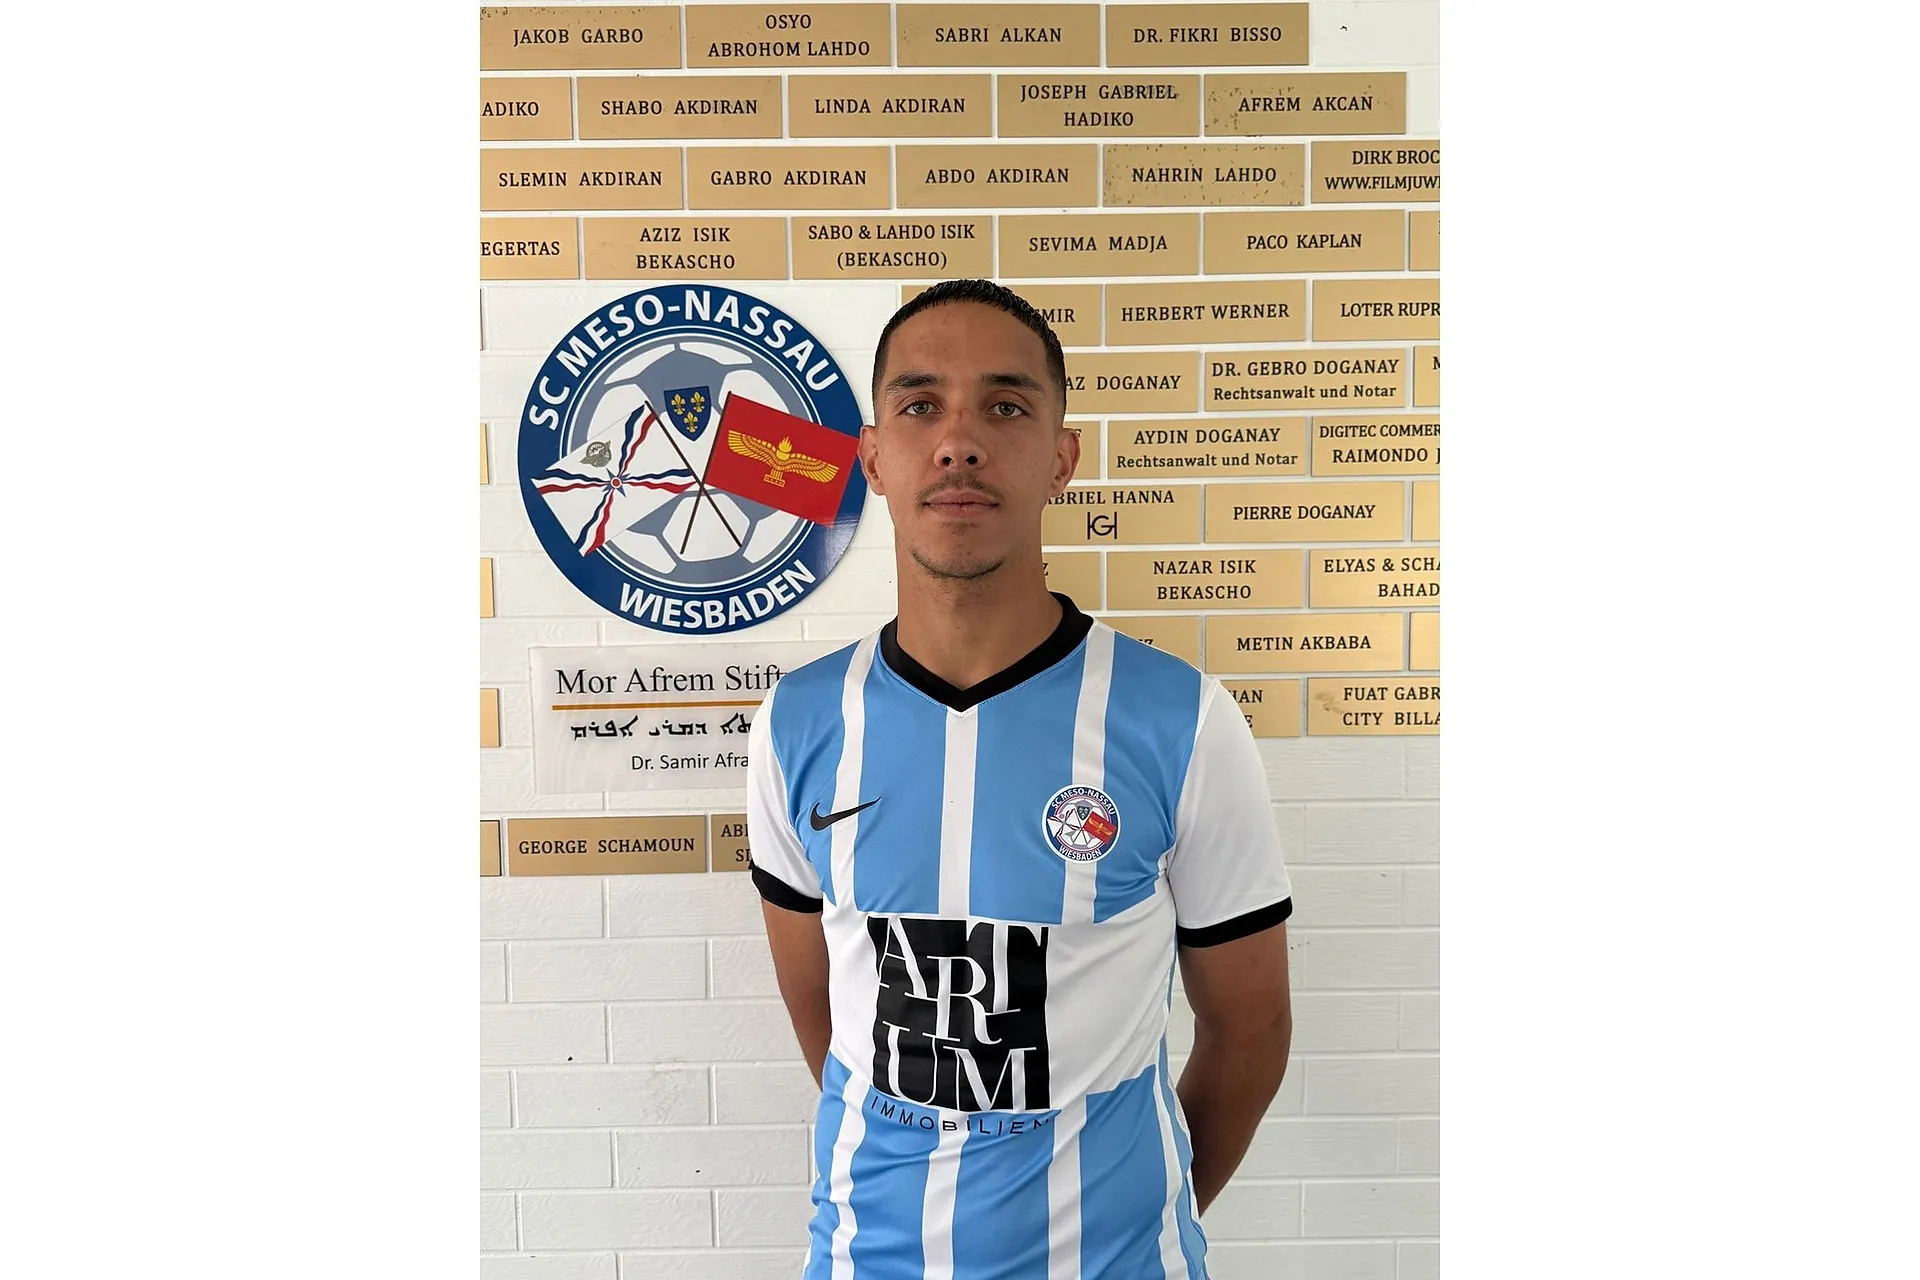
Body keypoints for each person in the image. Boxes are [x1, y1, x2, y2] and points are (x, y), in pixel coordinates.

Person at [746, 278, 1294, 1279]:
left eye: (1004, 406)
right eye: (920, 405)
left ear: (1061, 459)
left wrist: (1135, 1211)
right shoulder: (799, 722)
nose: (958, 441)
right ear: (873, 457)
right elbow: (827, 1017)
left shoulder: (1181, 719)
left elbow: (1249, 1031)